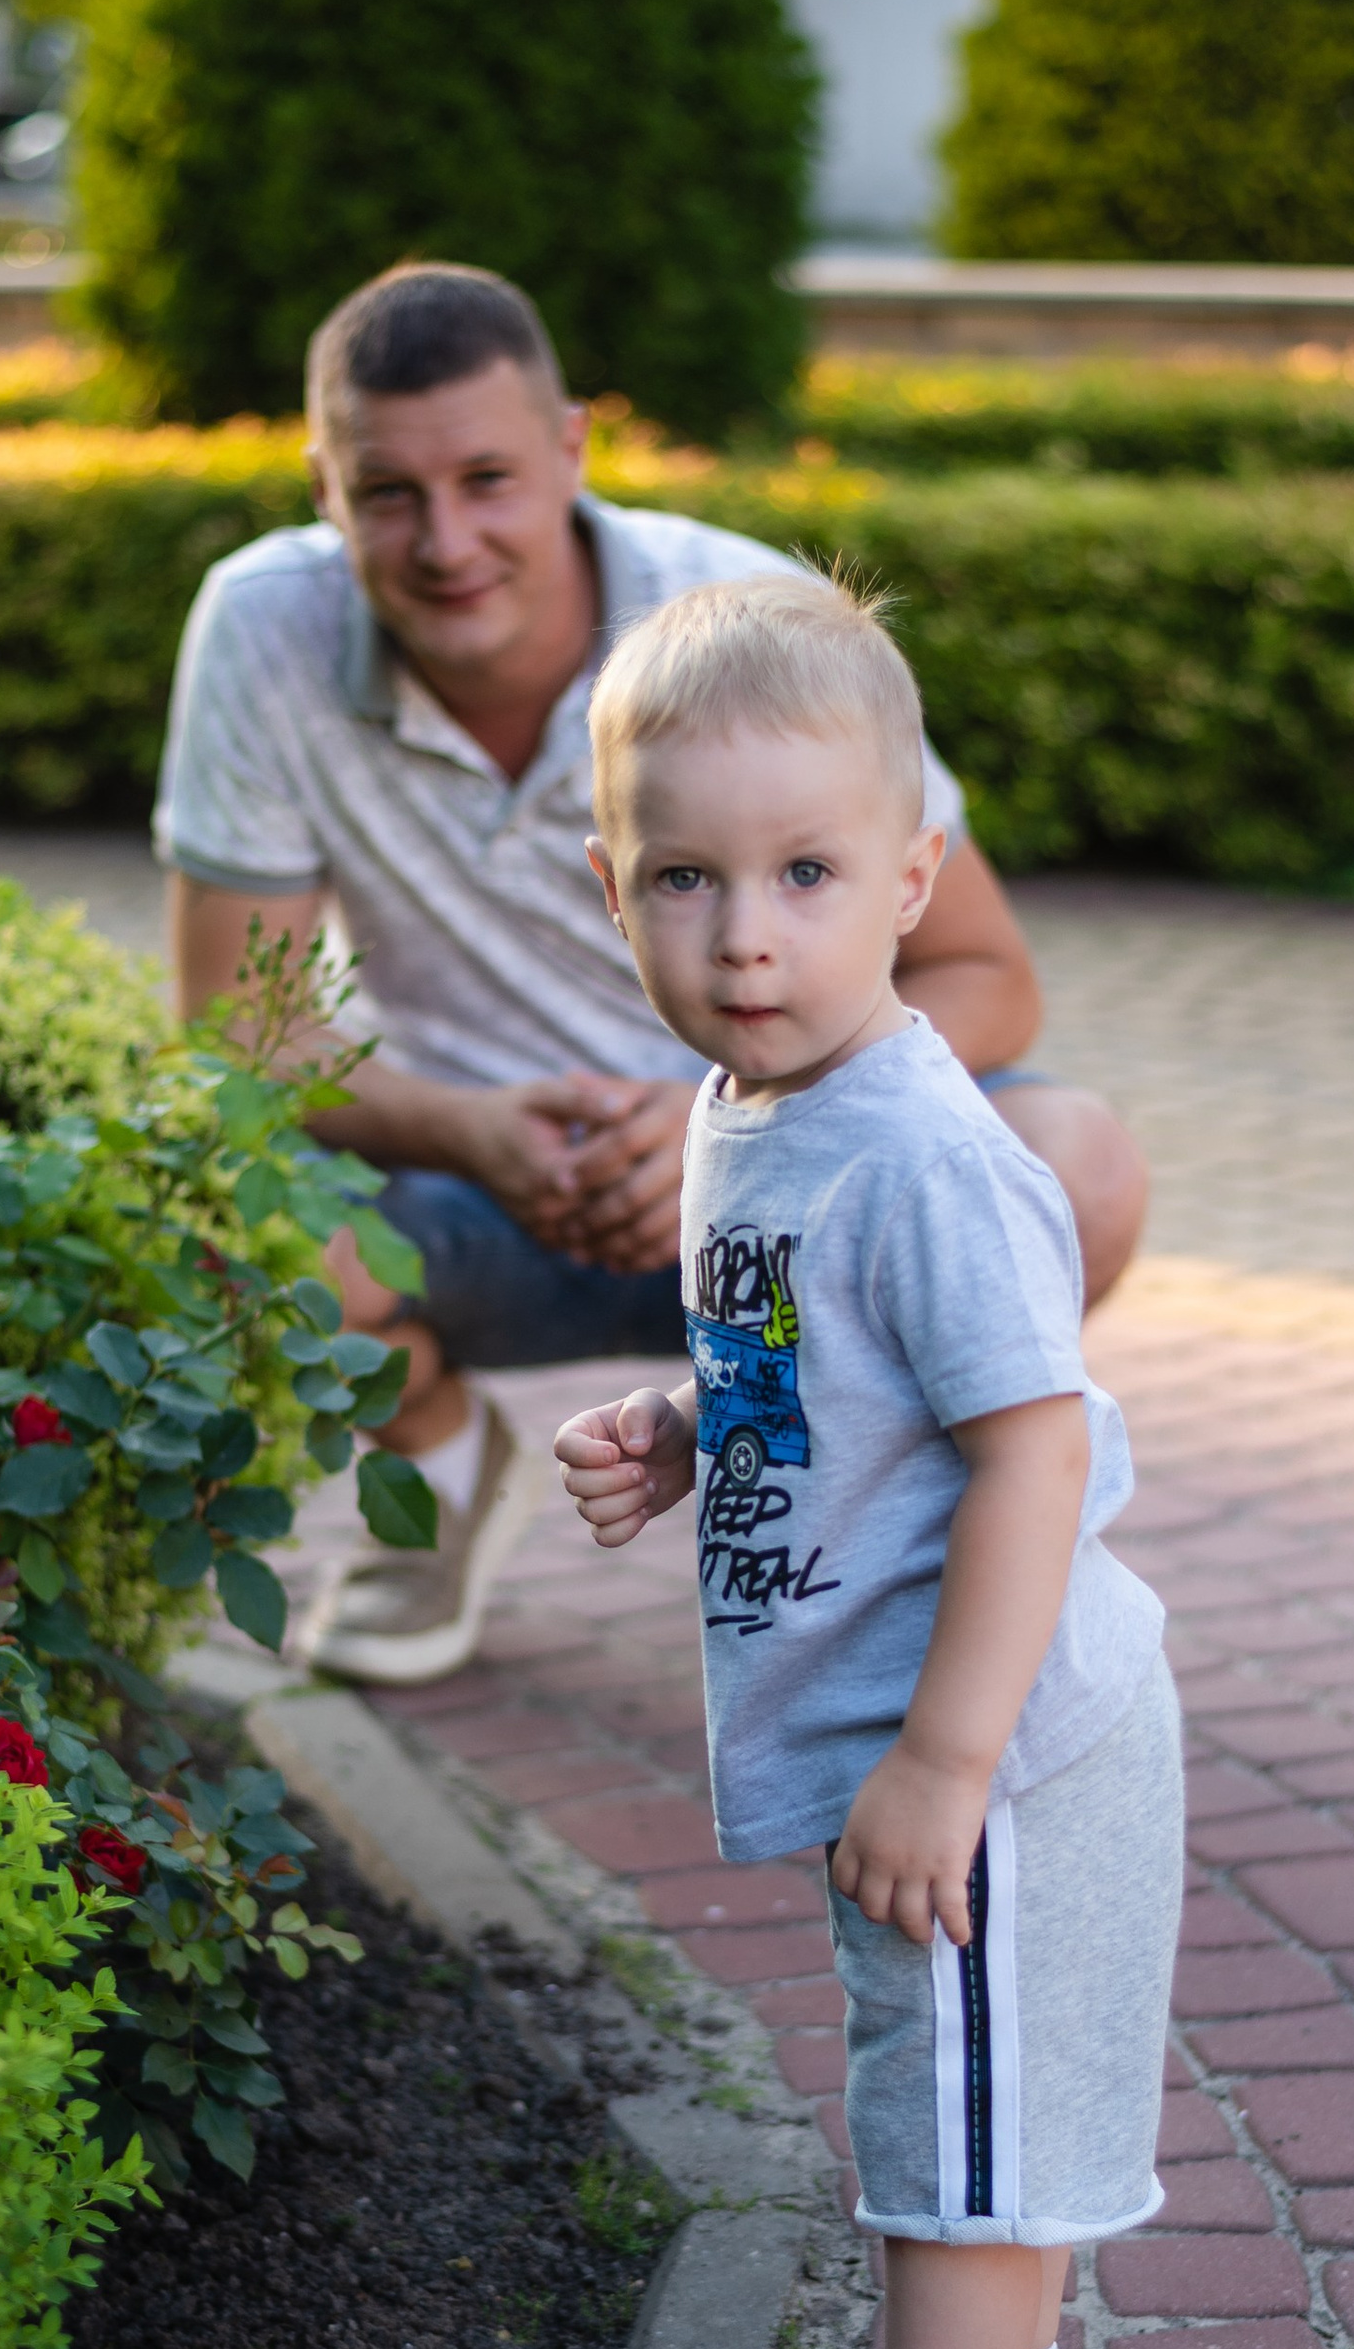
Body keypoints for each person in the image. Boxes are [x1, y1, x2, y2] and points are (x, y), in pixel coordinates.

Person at [156, 259, 1150, 1684]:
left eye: (490, 479)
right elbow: (238, 1033)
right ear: (322, 484)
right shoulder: (259, 630)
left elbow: (987, 970)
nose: (447, 542)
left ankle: (871, 1510)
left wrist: (721, 1118)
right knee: (213, 1218)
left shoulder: (749, 617)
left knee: (1081, 1164)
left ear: (572, 447)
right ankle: (436, 1470)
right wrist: (470, 1131)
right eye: (389, 494)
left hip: (795, 1194)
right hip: (472, 1191)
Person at [554, 573, 1183, 2349]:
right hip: (914, 1738)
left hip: (993, 1750)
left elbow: (1028, 1452)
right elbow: (839, 1385)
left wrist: (940, 1759)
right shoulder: (757, 1115)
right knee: (953, 2106)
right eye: (686, 878)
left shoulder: (918, 1150)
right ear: (611, 887)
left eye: (807, 874)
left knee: (952, 2147)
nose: (746, 934)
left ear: (913, 875)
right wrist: (678, 1426)